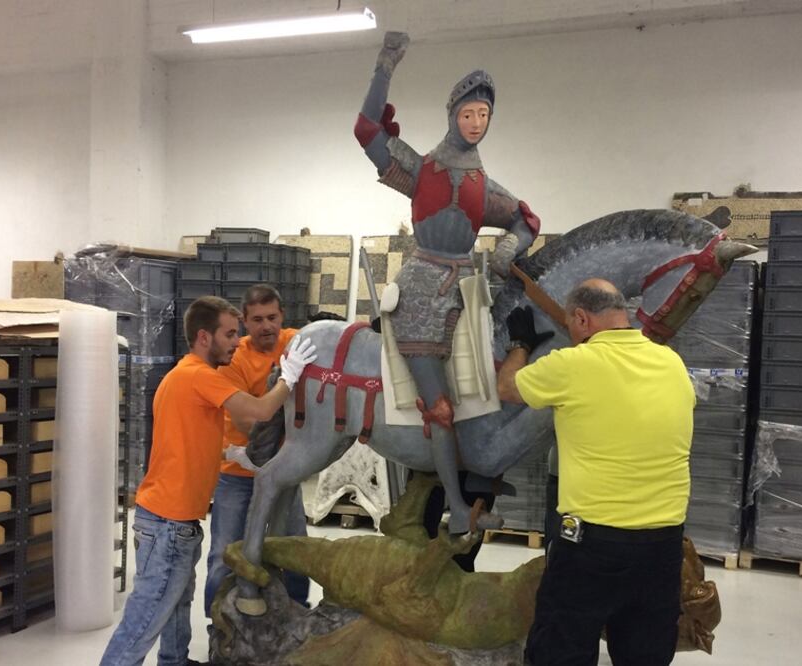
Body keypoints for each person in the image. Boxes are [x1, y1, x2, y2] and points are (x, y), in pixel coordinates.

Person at [354, 31, 541, 535]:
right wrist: (386, 66)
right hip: (420, 289)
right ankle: (456, 509)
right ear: (452, 115)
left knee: (486, 391)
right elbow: (368, 131)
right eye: (468, 114)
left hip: (468, 292)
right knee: (438, 405)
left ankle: (475, 482)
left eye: (483, 115)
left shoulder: (485, 185)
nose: (476, 122)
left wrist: (506, 248)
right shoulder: (422, 169)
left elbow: (525, 219)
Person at [101, 296, 315, 666]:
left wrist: (229, 454)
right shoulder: (200, 376)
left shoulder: (181, 375)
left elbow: (183, 442)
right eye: (230, 334)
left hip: (166, 519)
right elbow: (263, 410)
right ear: (204, 337)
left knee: (176, 605)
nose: (237, 341)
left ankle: (175, 661)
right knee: (145, 617)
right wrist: (289, 377)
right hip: (168, 524)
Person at [496, 280, 695, 666]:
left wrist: (520, 344)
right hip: (664, 546)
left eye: (572, 325)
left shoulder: (574, 364)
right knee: (645, 654)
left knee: (560, 649)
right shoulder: (671, 362)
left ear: (582, 318)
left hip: (593, 546)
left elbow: (507, 388)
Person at [203, 285, 310, 619]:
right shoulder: (235, 360)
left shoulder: (295, 342)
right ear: (245, 323)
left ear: (282, 317)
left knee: (295, 549)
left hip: (284, 474)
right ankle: (219, 624)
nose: (267, 326)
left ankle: (296, 616)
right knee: (225, 552)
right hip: (239, 474)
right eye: (258, 319)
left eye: (273, 318)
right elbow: (248, 421)